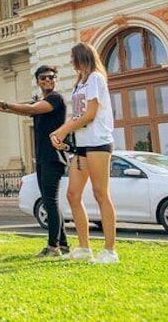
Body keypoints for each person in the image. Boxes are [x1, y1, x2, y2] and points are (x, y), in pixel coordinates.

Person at [0, 65, 69, 257]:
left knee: (50, 202)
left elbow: (28, 109)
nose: (48, 80)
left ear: (56, 80)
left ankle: (54, 247)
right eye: (43, 78)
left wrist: (4, 104)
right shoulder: (41, 101)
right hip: (44, 157)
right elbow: (18, 110)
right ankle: (62, 244)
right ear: (37, 81)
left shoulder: (55, 98)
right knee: (48, 201)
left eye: (51, 77)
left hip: (54, 157)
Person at [49, 43, 118, 264]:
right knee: (73, 195)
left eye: (72, 58)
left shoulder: (96, 78)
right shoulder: (80, 84)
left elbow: (90, 114)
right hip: (82, 145)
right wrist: (63, 137)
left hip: (98, 142)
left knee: (100, 193)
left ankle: (110, 250)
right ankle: (84, 247)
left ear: (81, 58)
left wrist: (62, 130)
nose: (70, 62)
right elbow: (78, 115)